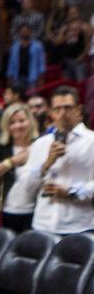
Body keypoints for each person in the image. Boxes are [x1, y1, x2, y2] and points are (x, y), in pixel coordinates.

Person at [26, 87, 94, 235]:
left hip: (80, 226)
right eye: (58, 109)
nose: (63, 113)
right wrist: (47, 163)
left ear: (78, 110)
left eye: (68, 108)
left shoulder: (92, 141)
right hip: (43, 224)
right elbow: (28, 186)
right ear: (51, 113)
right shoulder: (41, 143)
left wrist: (71, 192)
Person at [0, 103, 40, 232]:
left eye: (22, 121)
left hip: (36, 212)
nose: (18, 126)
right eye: (12, 122)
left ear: (30, 122)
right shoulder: (0, 145)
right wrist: (11, 162)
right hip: (6, 212)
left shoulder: (41, 144)